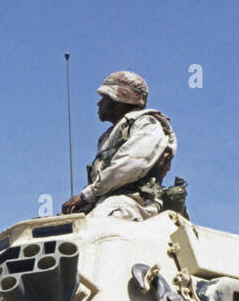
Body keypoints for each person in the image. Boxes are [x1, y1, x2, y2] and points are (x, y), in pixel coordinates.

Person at [61, 71, 180, 221]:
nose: (99, 104)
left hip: (135, 201)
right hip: (106, 201)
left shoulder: (147, 124)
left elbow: (131, 164)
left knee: (98, 225)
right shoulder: (110, 135)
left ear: (118, 100)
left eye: (104, 98)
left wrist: (88, 194)